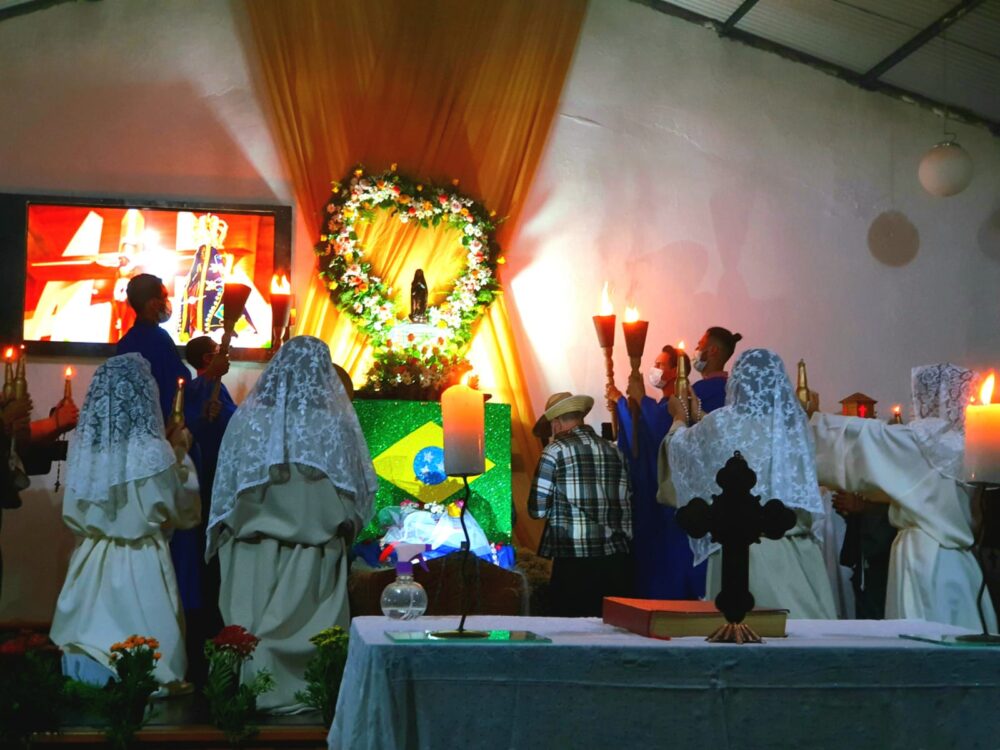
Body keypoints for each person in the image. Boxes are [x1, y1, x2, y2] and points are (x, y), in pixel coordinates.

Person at [208, 336, 377, 712]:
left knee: (252, 641)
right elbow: (354, 495)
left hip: (252, 555)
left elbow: (226, 491)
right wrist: (339, 524)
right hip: (313, 559)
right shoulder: (335, 425)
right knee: (315, 665)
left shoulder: (247, 420)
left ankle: (248, 699)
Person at [49, 354, 199, 686]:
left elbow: (73, 510)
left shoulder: (86, 451)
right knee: (147, 651)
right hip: (142, 561)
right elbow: (182, 510)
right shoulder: (155, 451)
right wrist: (179, 455)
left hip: (92, 560)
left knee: (90, 638)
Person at [811, 363, 997, 630]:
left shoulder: (925, 442)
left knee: (920, 636)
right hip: (963, 561)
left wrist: (812, 420)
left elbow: (867, 441)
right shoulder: (980, 445)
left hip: (922, 555)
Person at [658, 348, 837, 619]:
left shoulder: (719, 423)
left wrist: (679, 418)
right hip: (794, 552)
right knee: (799, 631)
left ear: (737, 382)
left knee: (736, 628)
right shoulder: (794, 427)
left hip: (735, 554)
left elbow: (681, 449)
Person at [607, 346, 705, 599]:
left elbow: (663, 432)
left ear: (675, 372)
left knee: (671, 556)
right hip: (649, 493)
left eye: (660, 365)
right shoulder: (659, 405)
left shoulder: (679, 407)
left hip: (670, 497)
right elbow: (637, 439)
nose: (655, 369)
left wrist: (636, 399)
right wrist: (623, 404)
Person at [528, 391, 633, 616]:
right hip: (616, 560)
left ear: (556, 423)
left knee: (571, 629)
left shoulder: (554, 451)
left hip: (573, 561)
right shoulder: (615, 450)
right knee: (609, 628)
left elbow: (537, 509)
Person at [116, 273, 193, 421]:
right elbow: (175, 386)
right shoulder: (159, 340)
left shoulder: (125, 342)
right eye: (164, 297)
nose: (167, 303)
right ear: (152, 303)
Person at [691, 327, 743, 413]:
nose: (696, 349)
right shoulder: (733, 389)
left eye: (700, 345)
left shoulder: (699, 390)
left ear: (713, 350)